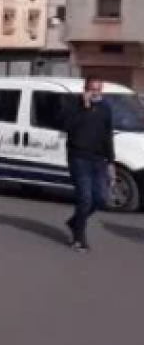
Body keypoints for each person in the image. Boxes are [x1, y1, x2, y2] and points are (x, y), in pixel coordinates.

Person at [62, 76, 115, 252]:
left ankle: (75, 221)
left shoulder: (106, 108)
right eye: (92, 89)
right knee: (85, 198)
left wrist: (111, 162)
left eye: (98, 90)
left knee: (100, 198)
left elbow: (108, 135)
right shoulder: (73, 105)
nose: (94, 93)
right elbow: (67, 126)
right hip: (79, 158)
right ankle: (79, 237)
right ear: (85, 89)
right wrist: (84, 108)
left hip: (99, 160)